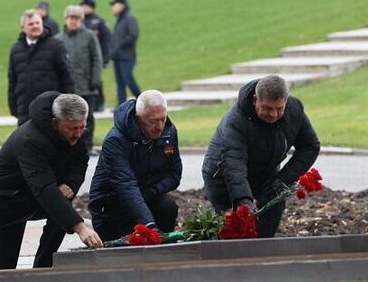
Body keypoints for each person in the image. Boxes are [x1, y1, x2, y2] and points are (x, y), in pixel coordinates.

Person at [0, 92, 103, 271]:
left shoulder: (77, 131)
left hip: (32, 199)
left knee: (62, 203)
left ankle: (43, 268)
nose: (78, 133)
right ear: (55, 122)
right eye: (72, 128)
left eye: (82, 127)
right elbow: (44, 189)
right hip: (3, 204)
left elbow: (80, 161)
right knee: (2, 270)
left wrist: (71, 183)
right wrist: (80, 227)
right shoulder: (31, 141)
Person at [202, 75, 320, 238]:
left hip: (266, 174)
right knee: (235, 235)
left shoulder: (294, 110)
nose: (273, 114)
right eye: (267, 108)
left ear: (286, 102)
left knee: (266, 231)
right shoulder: (236, 121)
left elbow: (310, 147)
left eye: (279, 108)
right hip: (224, 178)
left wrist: (282, 180)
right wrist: (244, 201)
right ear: (255, 100)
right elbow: (234, 164)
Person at [89, 90, 182, 241]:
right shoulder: (116, 141)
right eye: (153, 121)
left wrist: (151, 191)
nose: (159, 127)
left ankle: (162, 252)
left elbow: (174, 174)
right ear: (138, 119)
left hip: (146, 195)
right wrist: (150, 226)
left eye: (163, 119)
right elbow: (125, 187)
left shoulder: (169, 132)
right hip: (113, 205)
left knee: (167, 206)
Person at [8, 9, 74, 125]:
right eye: (31, 24)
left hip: (51, 109)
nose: (35, 26)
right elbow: (12, 81)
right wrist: (13, 107)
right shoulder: (16, 50)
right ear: (23, 27)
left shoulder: (56, 46)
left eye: (37, 23)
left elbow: (67, 77)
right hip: (25, 110)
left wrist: (67, 106)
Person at [56, 5, 103, 156]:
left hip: (86, 85)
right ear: (66, 19)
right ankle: (66, 145)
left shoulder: (89, 36)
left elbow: (97, 59)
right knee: (65, 117)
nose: (73, 21)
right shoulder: (58, 39)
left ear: (81, 20)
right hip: (66, 87)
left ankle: (86, 145)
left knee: (87, 117)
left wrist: (95, 80)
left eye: (77, 18)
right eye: (71, 18)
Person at [80, 0, 111, 112]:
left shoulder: (98, 21)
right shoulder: (81, 22)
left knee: (97, 81)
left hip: (97, 57)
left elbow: (107, 40)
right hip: (84, 59)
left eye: (85, 6)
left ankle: (100, 103)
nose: (83, 8)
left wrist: (106, 58)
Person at [109, 0, 141, 106]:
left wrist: (120, 46)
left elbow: (133, 35)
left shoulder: (129, 19)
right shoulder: (120, 20)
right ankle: (121, 106)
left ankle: (142, 101)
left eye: (115, 5)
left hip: (126, 56)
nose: (113, 8)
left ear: (122, 6)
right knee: (120, 83)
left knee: (128, 79)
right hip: (117, 57)